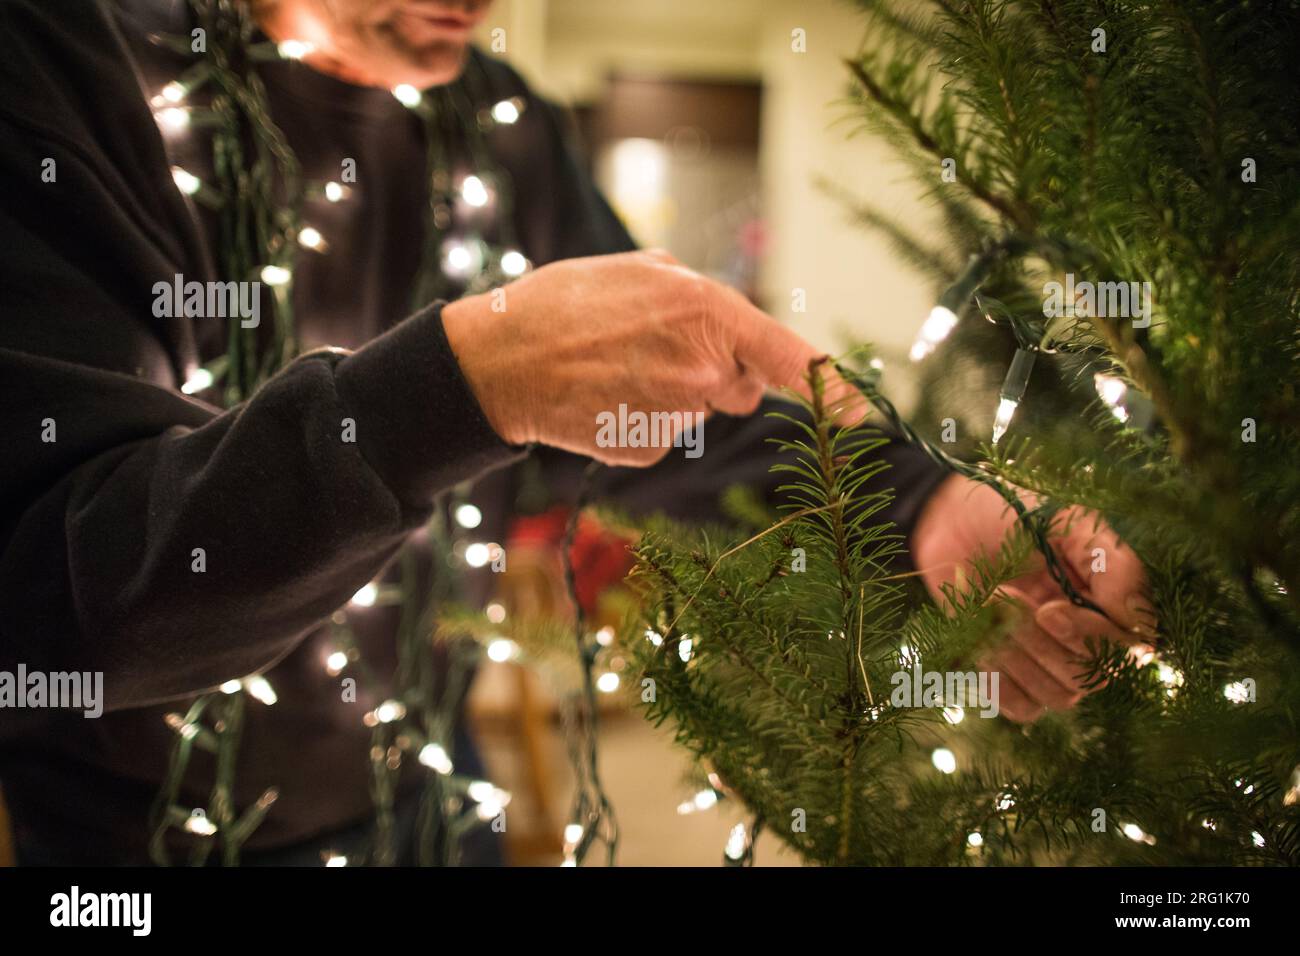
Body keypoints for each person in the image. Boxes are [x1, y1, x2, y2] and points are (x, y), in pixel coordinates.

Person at [0, 0, 1153, 865]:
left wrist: (918, 509)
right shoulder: (61, 64)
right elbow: (56, 605)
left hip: (435, 804)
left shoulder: (498, 129)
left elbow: (670, 421)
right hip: (132, 848)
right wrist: (458, 387)